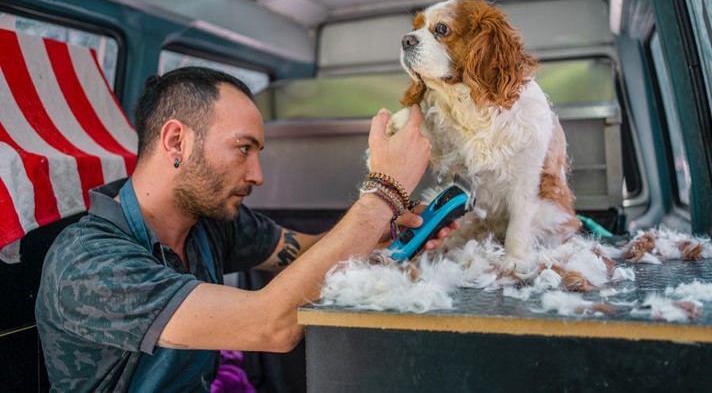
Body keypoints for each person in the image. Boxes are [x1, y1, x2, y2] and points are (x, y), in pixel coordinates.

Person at [35, 66, 454, 392]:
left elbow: (306, 253)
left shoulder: (210, 222)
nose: (257, 175)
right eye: (243, 148)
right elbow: (269, 326)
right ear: (176, 141)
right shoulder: (89, 262)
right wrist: (382, 193)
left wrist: (383, 230)